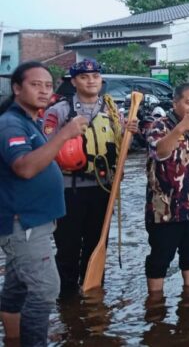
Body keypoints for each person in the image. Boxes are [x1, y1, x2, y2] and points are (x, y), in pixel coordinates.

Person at [0, 62, 87, 346]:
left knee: (17, 289)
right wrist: (65, 134)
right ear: (17, 88)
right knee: (45, 289)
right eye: (35, 84)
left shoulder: (30, 120)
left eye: (48, 85)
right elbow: (24, 168)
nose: (43, 90)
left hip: (33, 221)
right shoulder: (11, 123)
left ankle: (13, 338)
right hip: (23, 224)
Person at [42, 58, 138, 298]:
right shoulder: (60, 111)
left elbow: (120, 147)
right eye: (84, 77)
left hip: (102, 189)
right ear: (74, 81)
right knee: (68, 249)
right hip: (69, 191)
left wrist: (129, 133)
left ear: (101, 80)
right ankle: (66, 300)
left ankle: (93, 298)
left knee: (96, 244)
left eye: (95, 76)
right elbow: (46, 147)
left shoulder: (112, 110)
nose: (91, 80)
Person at [145, 83, 189, 294]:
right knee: (159, 260)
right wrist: (180, 128)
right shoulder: (159, 125)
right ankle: (155, 308)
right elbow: (160, 152)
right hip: (165, 211)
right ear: (175, 103)